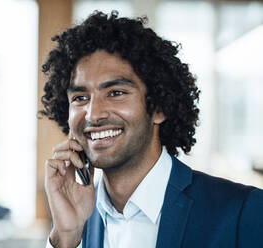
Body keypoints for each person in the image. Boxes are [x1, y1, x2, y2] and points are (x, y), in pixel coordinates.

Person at [40, 11, 263, 248]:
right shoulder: (76, 218)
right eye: (80, 97)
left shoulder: (244, 212)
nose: (93, 114)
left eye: (116, 93)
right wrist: (64, 237)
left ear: (159, 107)